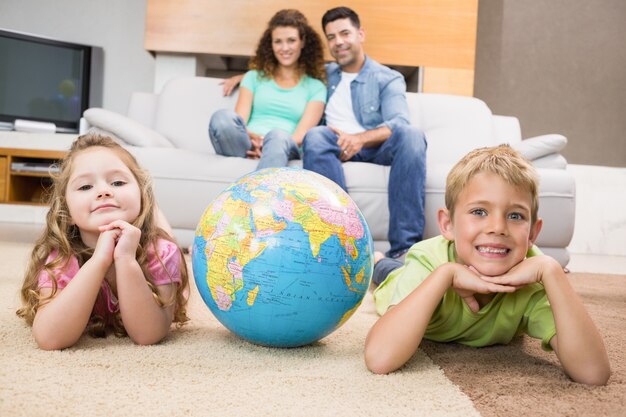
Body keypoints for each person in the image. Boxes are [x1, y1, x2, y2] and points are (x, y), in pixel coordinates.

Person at [365, 145, 611, 385]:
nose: (498, 228)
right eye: (480, 211)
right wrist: (446, 274)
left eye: (515, 216)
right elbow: (379, 359)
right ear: (448, 225)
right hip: (402, 281)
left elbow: (593, 373)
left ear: (533, 233)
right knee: (387, 270)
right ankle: (377, 260)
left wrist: (552, 269)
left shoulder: (533, 283)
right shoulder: (428, 260)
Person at [16, 133, 190, 350]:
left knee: (165, 236)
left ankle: (153, 212)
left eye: (117, 182)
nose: (104, 191)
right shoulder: (61, 258)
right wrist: (98, 261)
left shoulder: (162, 253)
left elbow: (149, 334)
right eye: (85, 187)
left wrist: (126, 260)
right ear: (66, 212)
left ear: (141, 196)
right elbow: (49, 339)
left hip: (149, 239)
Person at [302, 7, 427, 259]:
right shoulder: (322, 75)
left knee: (412, 135)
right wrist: (246, 76)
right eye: (331, 37)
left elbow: (399, 122)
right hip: (334, 144)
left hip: (376, 147)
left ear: (360, 34)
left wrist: (359, 139)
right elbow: (282, 76)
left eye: (345, 33)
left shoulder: (387, 77)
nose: (338, 42)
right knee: (315, 136)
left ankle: (404, 249)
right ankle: (341, 240)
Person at [209, 9, 327, 169]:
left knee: (277, 136)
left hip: (285, 144)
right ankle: (261, 164)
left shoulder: (316, 87)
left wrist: (268, 143)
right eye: (278, 41)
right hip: (248, 144)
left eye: (291, 40)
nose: (284, 48)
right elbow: (239, 121)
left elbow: (300, 136)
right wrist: (253, 140)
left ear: (303, 42)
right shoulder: (253, 77)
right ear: (270, 44)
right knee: (221, 118)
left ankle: (261, 189)